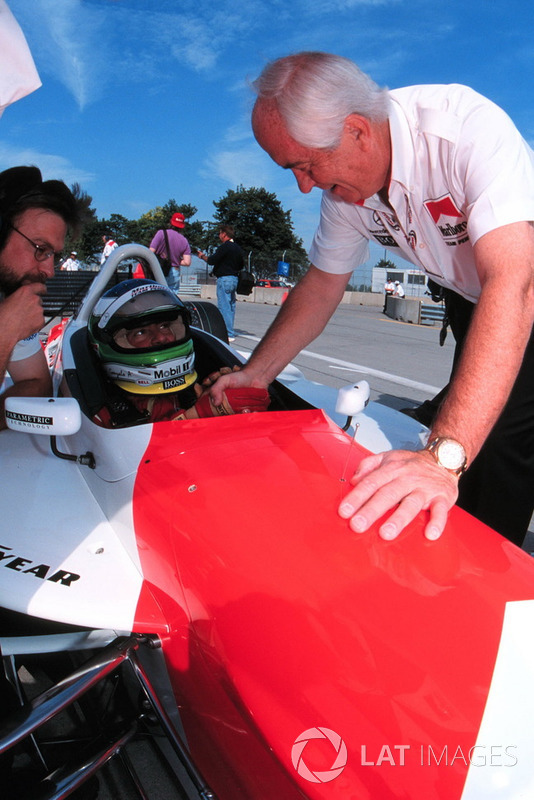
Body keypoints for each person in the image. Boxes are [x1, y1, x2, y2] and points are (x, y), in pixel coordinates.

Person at [210, 51, 534, 548]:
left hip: (518, 286)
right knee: (457, 426)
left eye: (305, 165)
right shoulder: (344, 191)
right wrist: (257, 373)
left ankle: (488, 586)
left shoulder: (465, 131)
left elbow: (514, 284)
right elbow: (321, 284)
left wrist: (443, 458)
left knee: (495, 446)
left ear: (358, 130)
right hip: (473, 298)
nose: (303, 186)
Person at [88, 279, 269, 426]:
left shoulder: (190, 390)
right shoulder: (99, 412)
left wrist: (211, 398)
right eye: (141, 332)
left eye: (164, 326)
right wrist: (199, 413)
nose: (161, 337)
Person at [0, 165, 81, 430]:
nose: (49, 270)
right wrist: (5, 332)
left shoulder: (8, 298)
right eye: (40, 249)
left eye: (53, 254)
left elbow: (37, 385)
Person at [197, 225, 244, 341]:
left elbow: (212, 260)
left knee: (224, 306)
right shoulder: (238, 248)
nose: (219, 236)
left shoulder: (225, 247)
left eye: (220, 233)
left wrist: (202, 256)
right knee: (231, 306)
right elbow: (241, 264)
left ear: (224, 234)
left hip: (224, 279)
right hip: (234, 279)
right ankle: (230, 330)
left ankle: (228, 333)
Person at [149, 212, 191, 293]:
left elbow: (150, 252)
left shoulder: (161, 233)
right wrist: (174, 260)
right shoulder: (184, 240)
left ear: (171, 222)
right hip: (174, 271)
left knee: (158, 296)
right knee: (172, 299)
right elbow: (187, 262)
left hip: (159, 270)